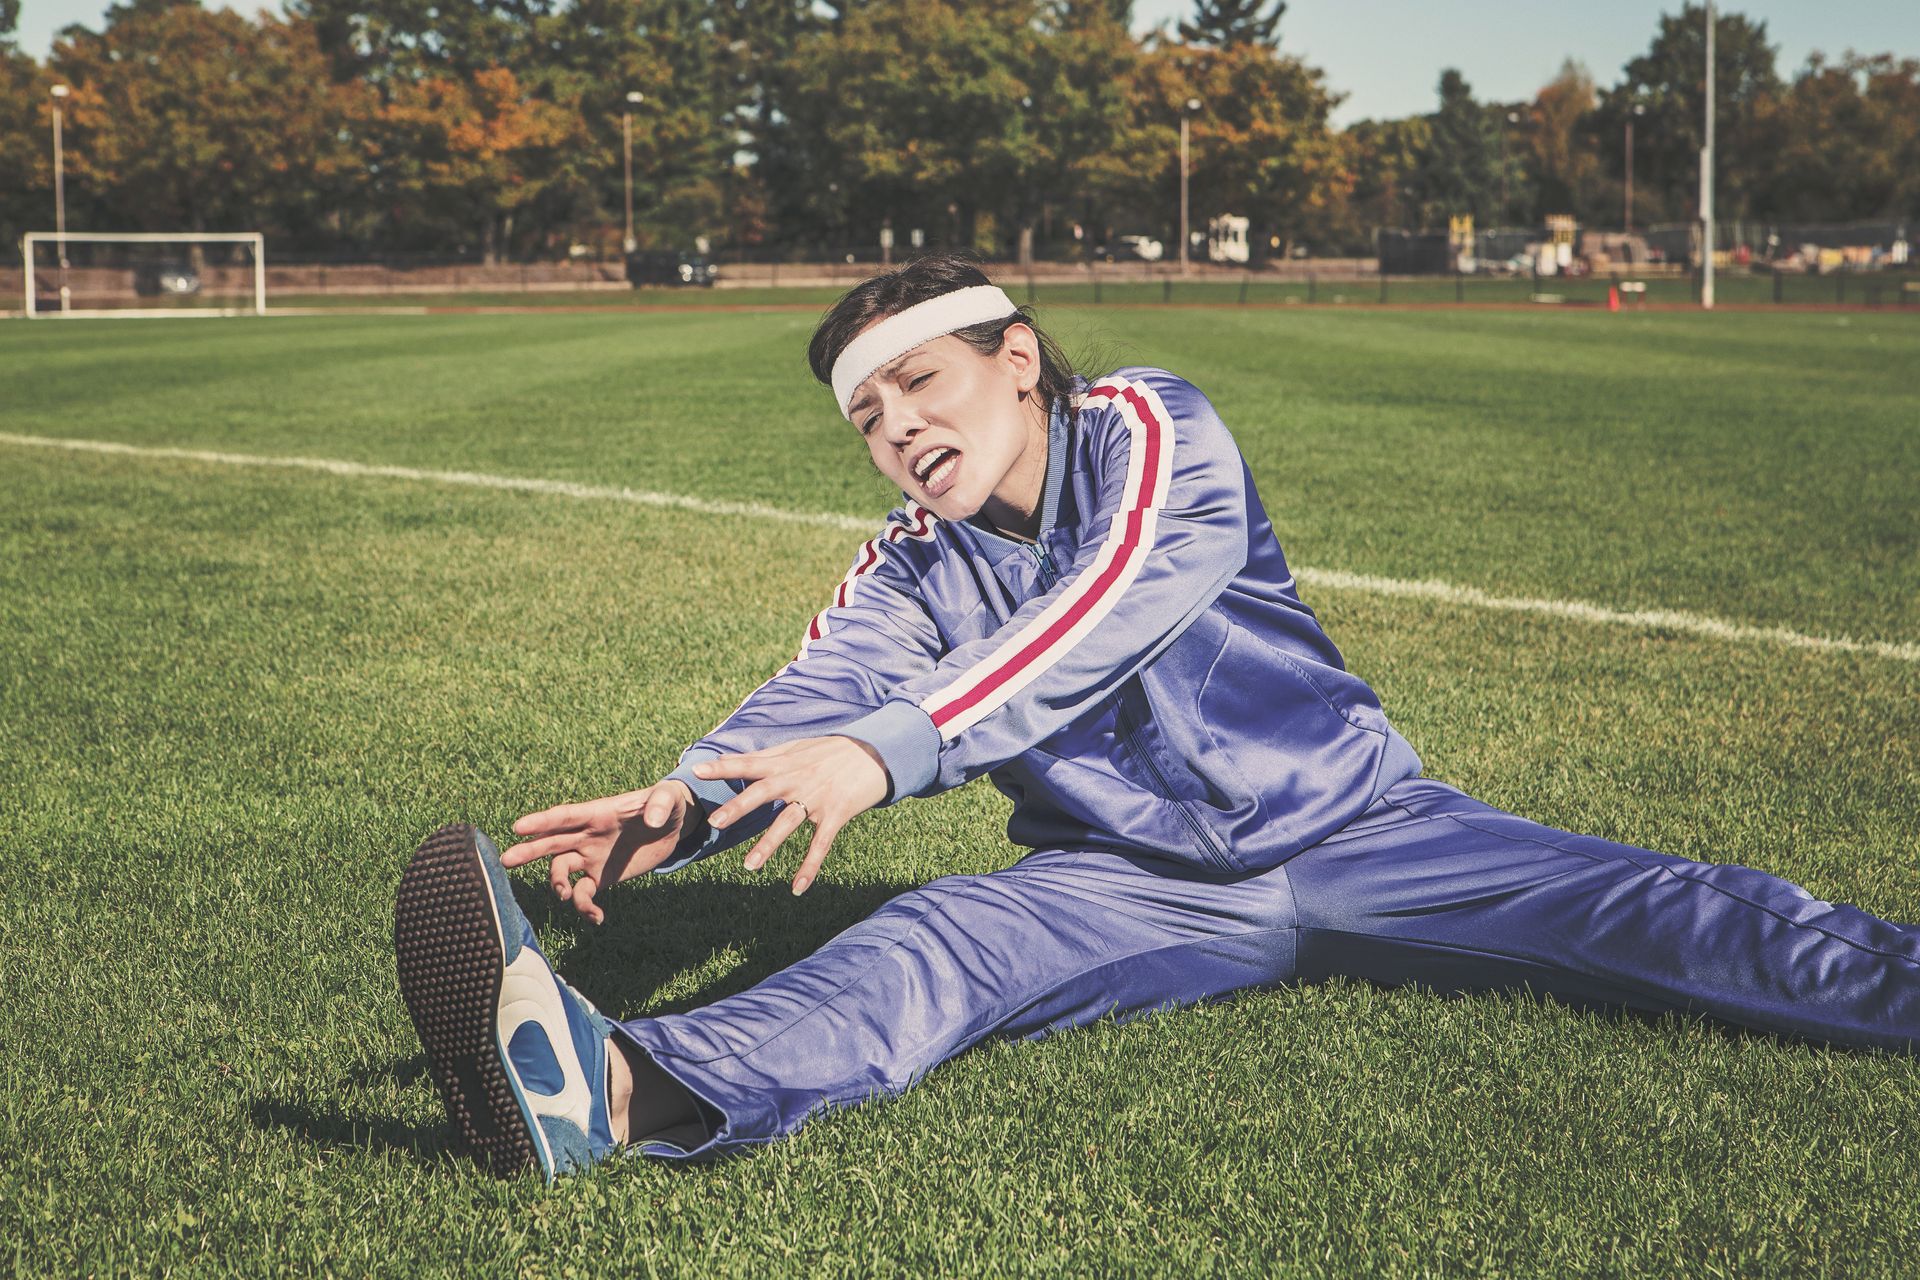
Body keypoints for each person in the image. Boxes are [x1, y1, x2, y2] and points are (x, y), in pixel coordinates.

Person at [394, 253, 1920, 1184]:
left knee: (1670, 916)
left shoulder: (1148, 427)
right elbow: (821, 693)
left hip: (1368, 830)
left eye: (920, 384)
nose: (900, 431)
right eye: (868, 417)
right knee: (928, 947)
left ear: (1013, 358)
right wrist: (689, 801)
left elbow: (1115, 600)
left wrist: (890, 750)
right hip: (1122, 886)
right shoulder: (909, 566)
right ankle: (609, 1090)